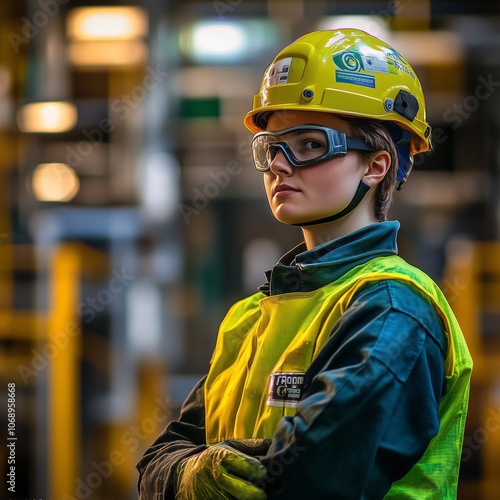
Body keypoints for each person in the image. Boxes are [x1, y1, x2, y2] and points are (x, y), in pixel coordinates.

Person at [137, 29, 473, 499]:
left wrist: (191, 472)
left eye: (310, 144)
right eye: (272, 146)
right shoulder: (250, 317)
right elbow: (157, 461)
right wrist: (188, 473)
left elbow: (307, 479)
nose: (279, 163)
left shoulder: (393, 308)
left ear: (376, 166)